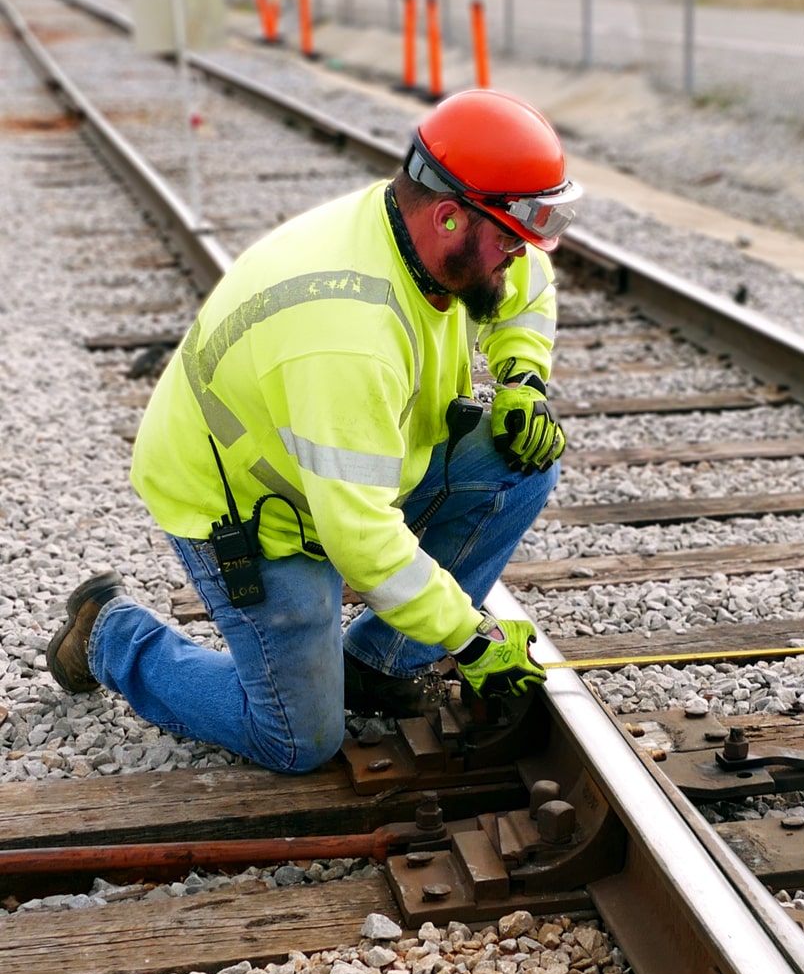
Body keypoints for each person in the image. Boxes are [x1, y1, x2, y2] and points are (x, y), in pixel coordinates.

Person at [46, 89, 581, 775]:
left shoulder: (437, 229)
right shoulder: (344, 335)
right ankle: (110, 635)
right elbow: (360, 539)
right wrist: (471, 639)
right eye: (509, 240)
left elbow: (531, 281)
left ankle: (375, 664)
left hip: (338, 469)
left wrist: (522, 382)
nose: (516, 258)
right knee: (299, 740)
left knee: (522, 461)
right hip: (248, 504)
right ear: (450, 217)